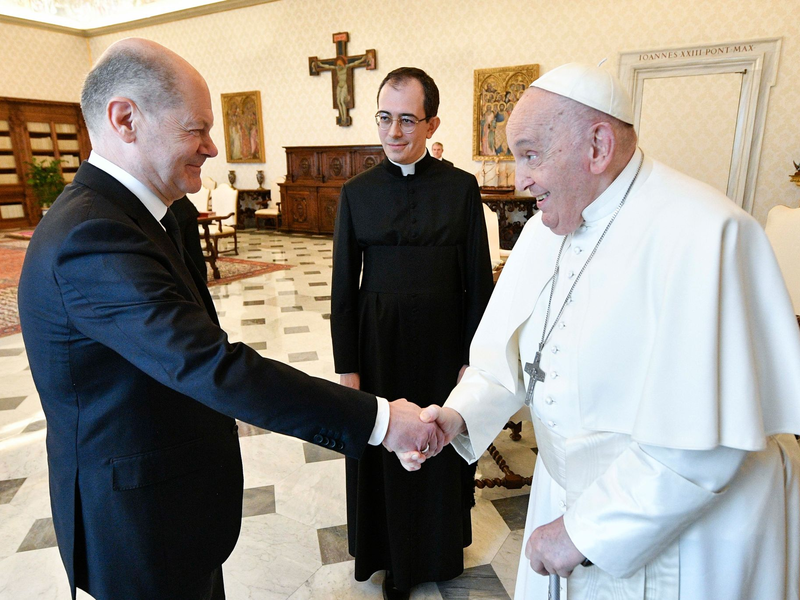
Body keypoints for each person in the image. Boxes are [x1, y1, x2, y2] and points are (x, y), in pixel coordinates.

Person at [17, 38, 442, 600]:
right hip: (137, 524)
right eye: (196, 129)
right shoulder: (92, 236)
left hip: (177, 504)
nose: (213, 147)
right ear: (125, 120)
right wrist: (382, 421)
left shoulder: (158, 214)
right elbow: (212, 365)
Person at [408, 62, 800, 599]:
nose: (520, 180)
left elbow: (705, 443)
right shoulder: (546, 229)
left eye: (530, 155)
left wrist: (586, 531)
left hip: (685, 529)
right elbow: (511, 358)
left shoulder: (707, 233)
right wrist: (457, 415)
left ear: (597, 146)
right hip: (563, 492)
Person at [331, 67, 493, 599]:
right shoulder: (356, 193)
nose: (393, 131)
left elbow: (478, 280)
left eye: (406, 119)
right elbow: (343, 289)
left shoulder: (461, 188)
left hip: (443, 348)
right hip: (377, 348)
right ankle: (389, 559)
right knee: (385, 448)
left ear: (431, 124)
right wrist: (347, 368)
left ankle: (438, 553)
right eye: (384, 118)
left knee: (438, 445)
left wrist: (473, 358)